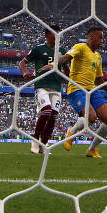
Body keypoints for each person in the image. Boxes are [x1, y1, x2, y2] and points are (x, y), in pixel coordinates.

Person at [54, 27, 107, 158]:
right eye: (100, 38)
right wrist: (56, 62)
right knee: (91, 117)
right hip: (77, 88)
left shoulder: (98, 56)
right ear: (91, 37)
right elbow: (66, 58)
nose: (102, 41)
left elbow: (99, 80)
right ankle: (72, 131)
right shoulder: (80, 47)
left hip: (92, 89)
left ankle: (92, 149)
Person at [18, 25, 70, 154]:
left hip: (56, 87)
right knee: (46, 111)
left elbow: (66, 69)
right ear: (48, 35)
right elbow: (22, 62)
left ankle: (44, 145)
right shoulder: (39, 49)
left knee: (53, 116)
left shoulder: (62, 51)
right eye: (55, 33)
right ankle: (35, 140)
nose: (58, 36)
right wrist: (25, 73)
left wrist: (70, 78)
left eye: (59, 33)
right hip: (41, 85)